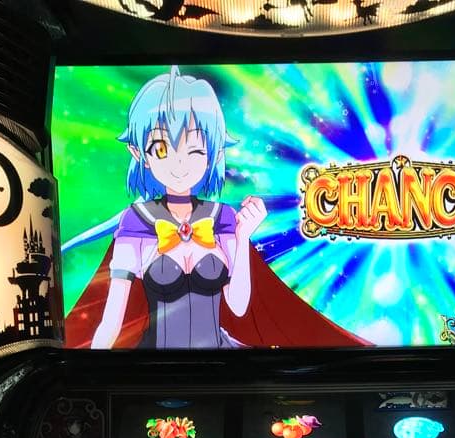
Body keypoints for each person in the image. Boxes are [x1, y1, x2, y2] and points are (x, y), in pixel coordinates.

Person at [64, 67, 366, 350]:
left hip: (223, 359)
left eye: (195, 149)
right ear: (138, 152)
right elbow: (111, 321)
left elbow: (238, 305)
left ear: (214, 152)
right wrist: (89, 371)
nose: (179, 163)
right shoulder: (137, 221)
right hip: (158, 364)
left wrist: (242, 236)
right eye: (161, 148)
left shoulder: (222, 217)